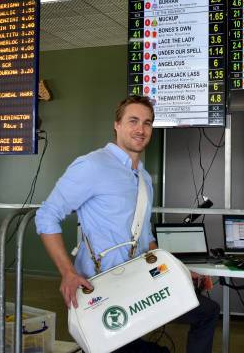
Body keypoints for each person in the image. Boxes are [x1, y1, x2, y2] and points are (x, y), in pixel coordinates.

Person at [36, 95, 219, 353]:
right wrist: (68, 272)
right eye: (133, 121)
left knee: (207, 312)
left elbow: (146, 240)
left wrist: (179, 271)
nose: (140, 129)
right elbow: (46, 215)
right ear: (117, 125)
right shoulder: (92, 165)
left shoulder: (143, 177)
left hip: (140, 282)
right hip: (102, 287)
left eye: (147, 123)